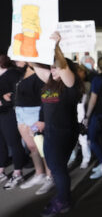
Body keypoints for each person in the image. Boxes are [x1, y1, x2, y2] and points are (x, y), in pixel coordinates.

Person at [32, 32, 83, 216]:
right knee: (55, 166)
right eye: (51, 68)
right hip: (51, 131)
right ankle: (62, 196)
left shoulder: (71, 84)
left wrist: (56, 46)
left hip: (64, 131)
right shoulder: (50, 83)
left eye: (55, 68)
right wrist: (30, 44)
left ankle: (63, 201)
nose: (52, 70)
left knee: (57, 168)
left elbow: (62, 67)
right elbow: (35, 64)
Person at [14, 61, 54, 195]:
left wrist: (42, 119)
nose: (15, 59)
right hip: (20, 112)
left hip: (34, 113)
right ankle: (39, 173)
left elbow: (46, 97)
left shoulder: (40, 73)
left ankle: (50, 176)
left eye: (18, 57)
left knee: (42, 148)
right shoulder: (21, 73)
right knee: (31, 147)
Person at [83, 57, 102, 179]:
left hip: (97, 114)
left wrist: (87, 115)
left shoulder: (97, 79)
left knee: (92, 140)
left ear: (97, 65)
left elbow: (93, 99)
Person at [0, 53, 26, 190]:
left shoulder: (13, 74)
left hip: (9, 113)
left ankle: (18, 172)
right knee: (1, 143)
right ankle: (1, 170)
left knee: (13, 142)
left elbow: (15, 95)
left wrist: (3, 100)